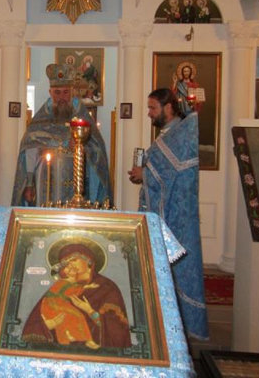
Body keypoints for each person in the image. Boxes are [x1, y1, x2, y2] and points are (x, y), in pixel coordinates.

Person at [128, 88, 208, 341]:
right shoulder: (172, 134)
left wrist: (144, 174)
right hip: (168, 211)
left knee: (177, 266)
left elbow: (168, 175)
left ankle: (175, 324)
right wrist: (144, 173)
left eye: (153, 108)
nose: (149, 113)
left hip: (174, 215)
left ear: (169, 107)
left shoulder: (179, 135)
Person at [11, 63, 111, 207]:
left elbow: (97, 150)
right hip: (45, 181)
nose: (61, 97)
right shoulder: (40, 119)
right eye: (57, 92)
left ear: (72, 92)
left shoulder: (83, 118)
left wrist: (81, 146)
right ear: (50, 92)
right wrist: (29, 183)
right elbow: (30, 150)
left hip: (77, 183)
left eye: (65, 92)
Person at [22, 242, 131, 348]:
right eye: (66, 263)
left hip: (95, 355)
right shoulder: (61, 284)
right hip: (59, 350)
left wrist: (90, 311)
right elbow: (34, 323)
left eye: (74, 260)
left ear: (88, 260)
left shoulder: (106, 287)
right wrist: (47, 325)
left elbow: (117, 331)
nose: (70, 265)